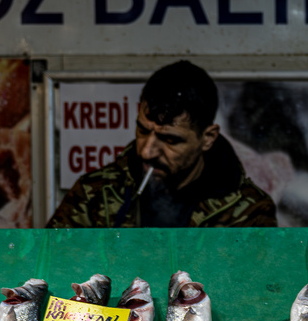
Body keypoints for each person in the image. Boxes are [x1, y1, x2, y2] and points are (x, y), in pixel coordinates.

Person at [49, 60, 276, 228]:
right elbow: (54, 276)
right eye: (143, 130)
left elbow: (259, 290)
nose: (147, 152)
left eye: (170, 140)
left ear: (207, 138)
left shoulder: (248, 211)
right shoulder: (94, 195)